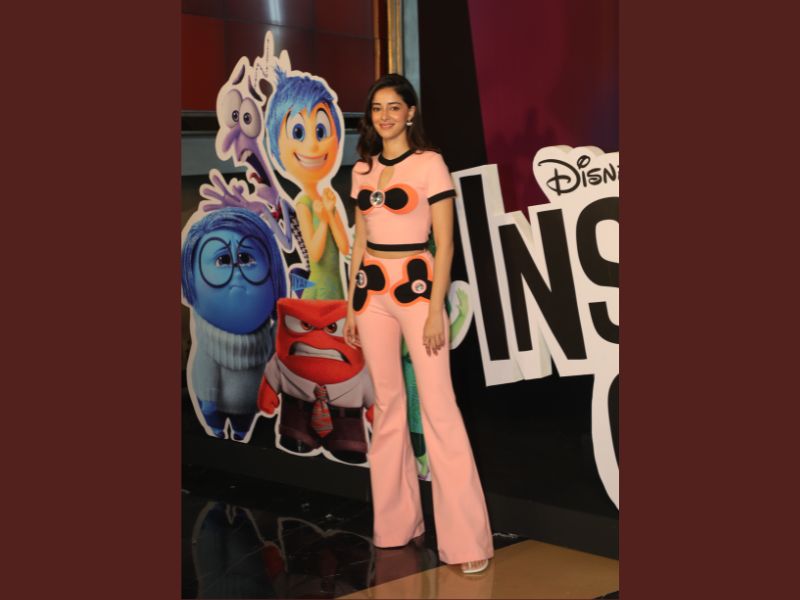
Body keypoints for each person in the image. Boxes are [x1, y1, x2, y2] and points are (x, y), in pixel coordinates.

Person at [344, 74, 493, 575]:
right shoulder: (362, 169)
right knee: (387, 406)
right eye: (377, 108)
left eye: (394, 107)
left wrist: (434, 308)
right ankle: (395, 526)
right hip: (371, 293)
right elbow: (359, 240)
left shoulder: (430, 164)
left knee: (439, 408)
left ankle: (468, 542)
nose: (384, 116)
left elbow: (445, 244)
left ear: (410, 113)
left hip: (417, 288)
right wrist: (351, 305)